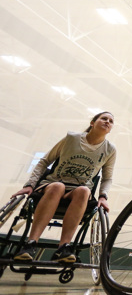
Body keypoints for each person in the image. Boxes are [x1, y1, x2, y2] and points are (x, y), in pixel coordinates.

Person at [13, 112, 117, 263]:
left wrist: (103, 196)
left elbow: (107, 178)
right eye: (104, 118)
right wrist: (30, 185)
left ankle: (64, 247)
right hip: (52, 185)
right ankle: (30, 243)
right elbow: (44, 161)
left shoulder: (110, 149)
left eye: (111, 121)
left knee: (84, 190)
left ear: (111, 128)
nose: (107, 122)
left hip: (77, 191)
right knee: (57, 186)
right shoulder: (72, 138)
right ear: (93, 123)